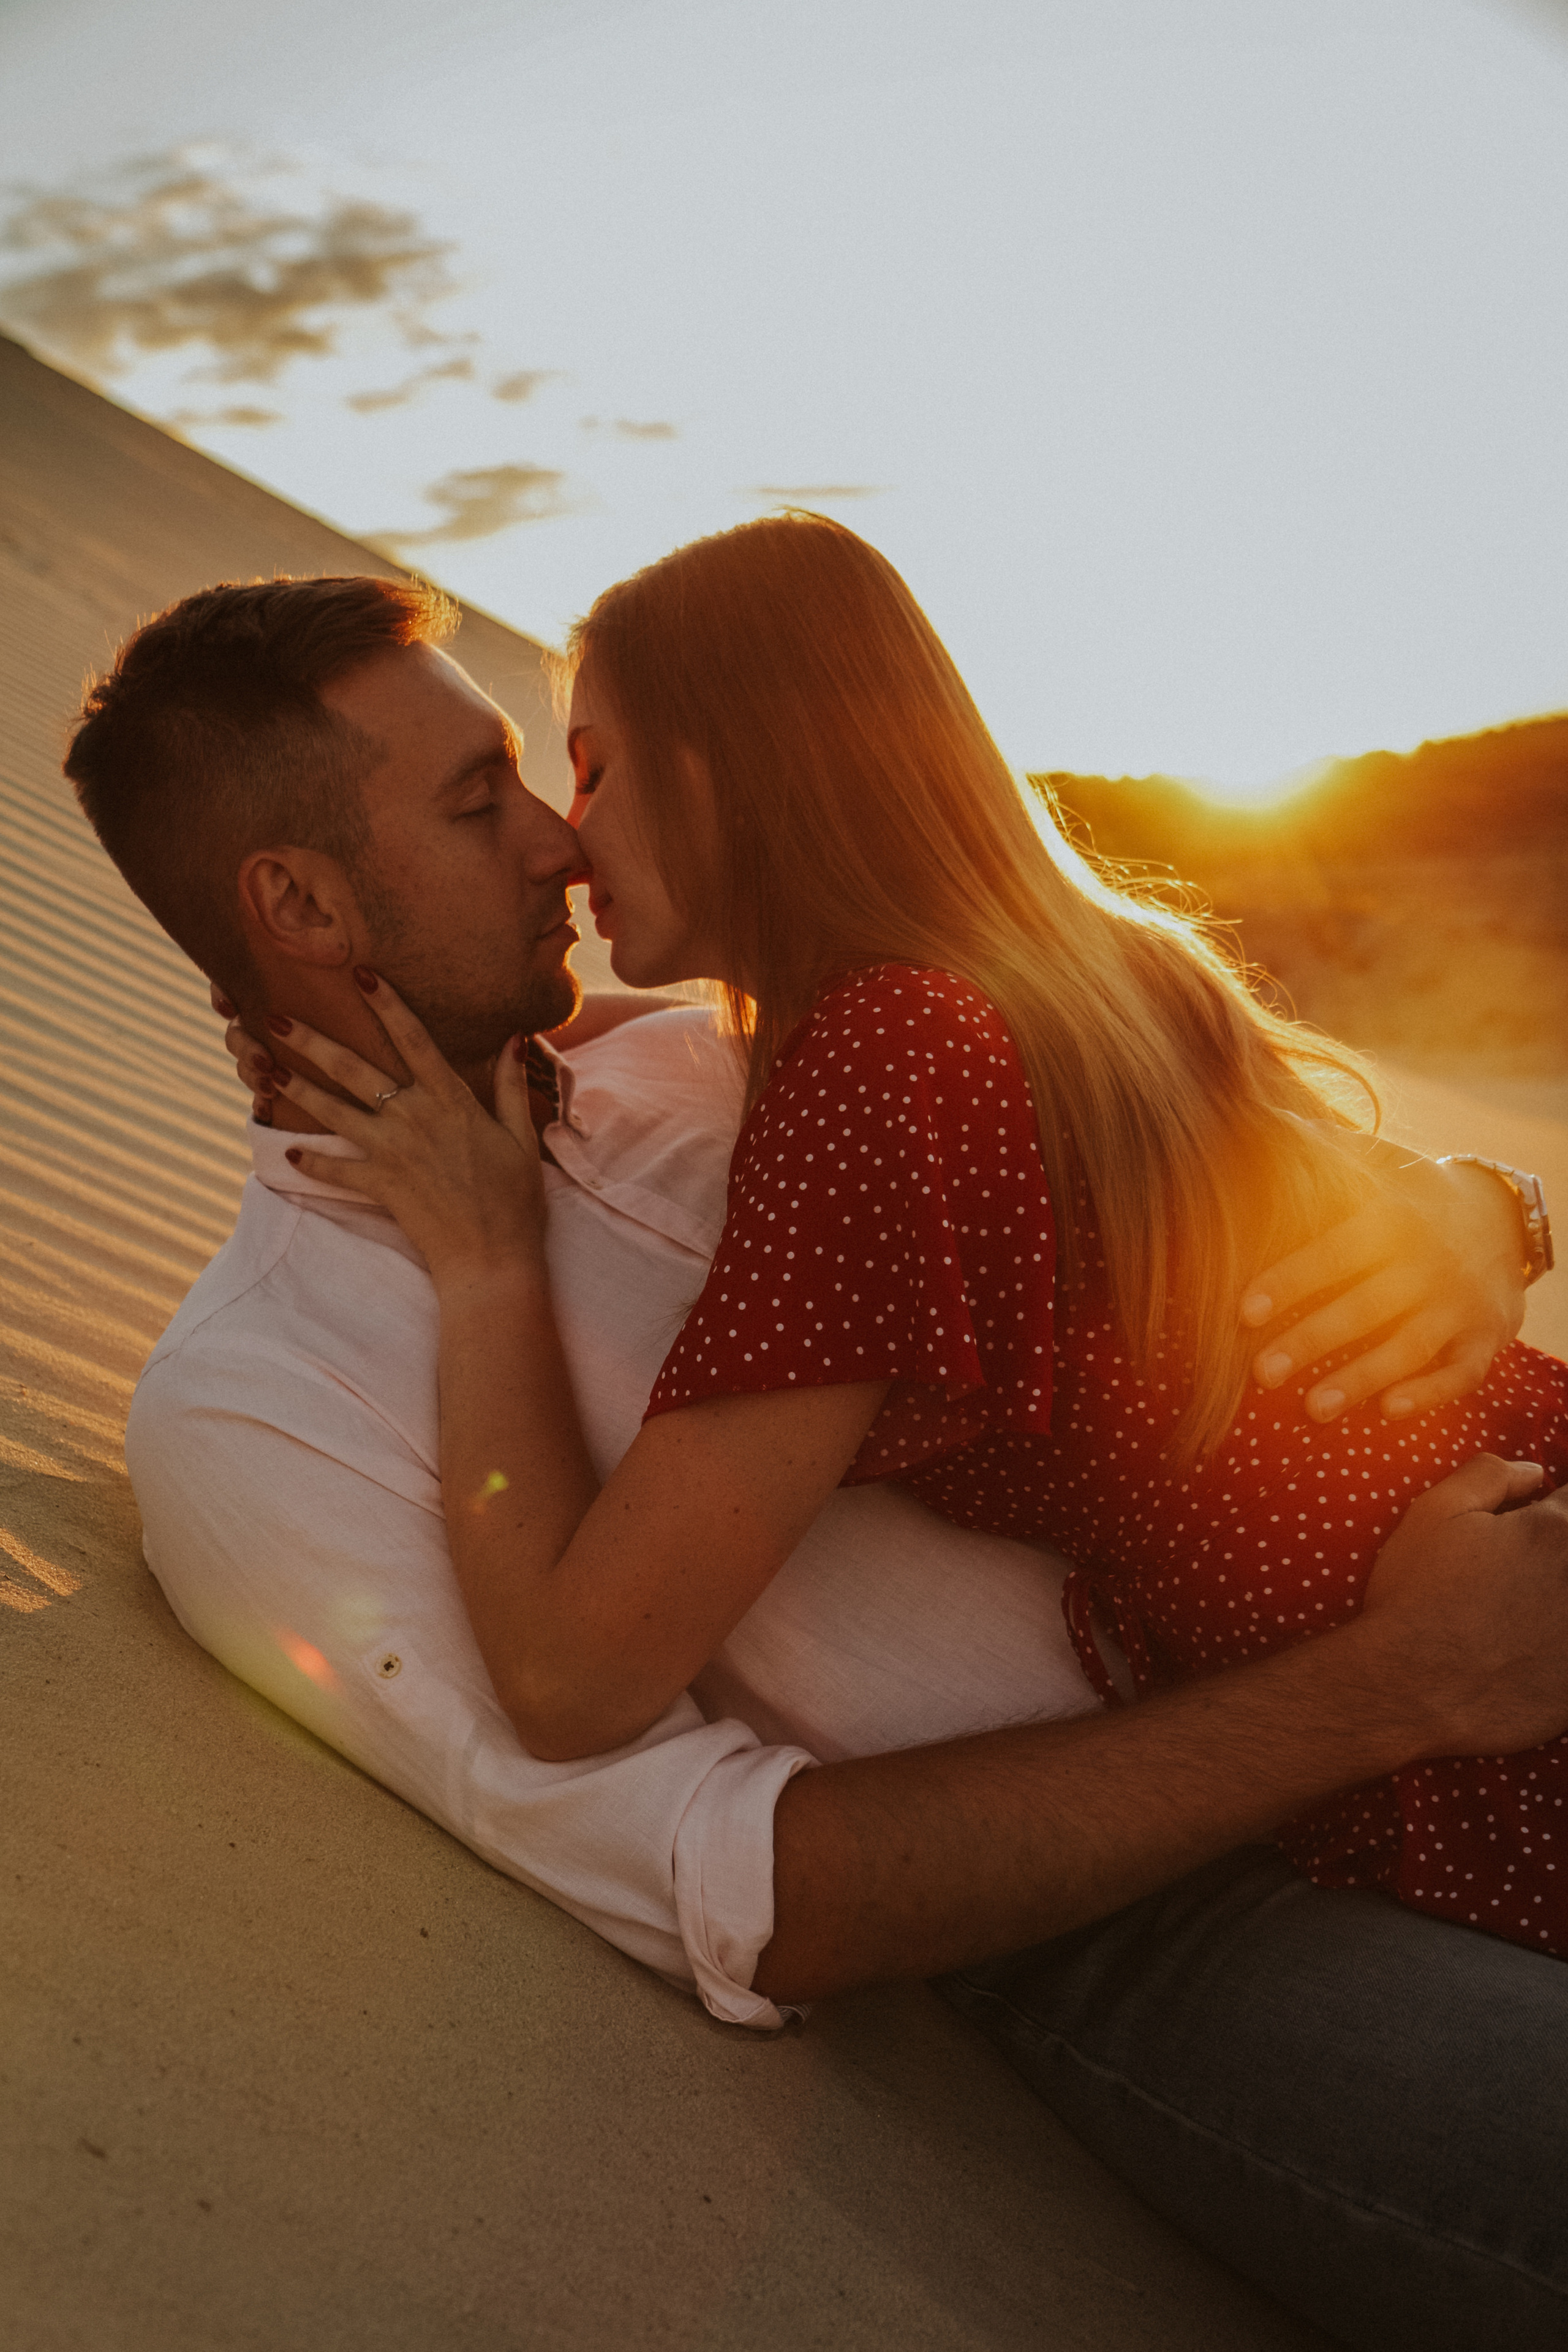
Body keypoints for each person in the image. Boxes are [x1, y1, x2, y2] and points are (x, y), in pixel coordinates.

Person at [66, 571, 1568, 2350]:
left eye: (565, 775)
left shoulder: (745, 1038)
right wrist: (1389, 1687)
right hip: (1151, 1896)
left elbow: (1240, 1140)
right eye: (488, 801)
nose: (558, 840)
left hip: (1459, 1616)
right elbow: (716, 1863)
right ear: (299, 901)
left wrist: (1484, 1211)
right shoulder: (261, 1399)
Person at [274, 515, 1567, 1961]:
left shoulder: (882, 1059)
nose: (571, 835)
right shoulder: (1074, 975)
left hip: (1502, 1701)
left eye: (596, 765)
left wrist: (486, 1263)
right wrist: (1492, 1203)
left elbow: (575, 1679)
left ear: (734, 760)